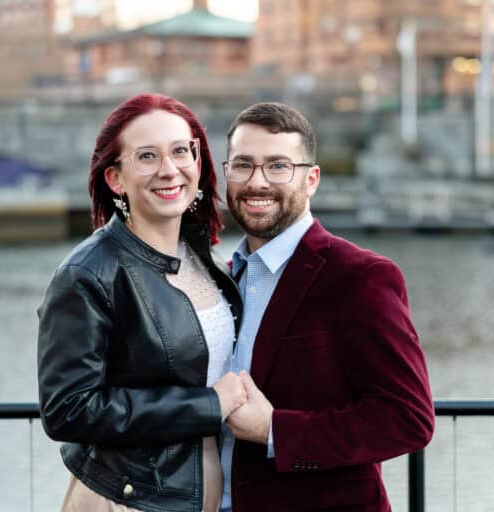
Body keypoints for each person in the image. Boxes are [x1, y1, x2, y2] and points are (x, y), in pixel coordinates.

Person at [218, 102, 435, 511]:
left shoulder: (361, 277)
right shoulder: (221, 278)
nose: (257, 182)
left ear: (311, 179)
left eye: (278, 166)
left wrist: (275, 431)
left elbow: (409, 419)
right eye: (243, 165)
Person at [37, 93, 246, 512]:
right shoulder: (88, 272)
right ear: (116, 178)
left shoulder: (205, 257)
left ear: (198, 162)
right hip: (131, 501)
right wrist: (208, 405)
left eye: (181, 152)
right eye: (147, 156)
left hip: (205, 495)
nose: (169, 170)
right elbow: (68, 410)